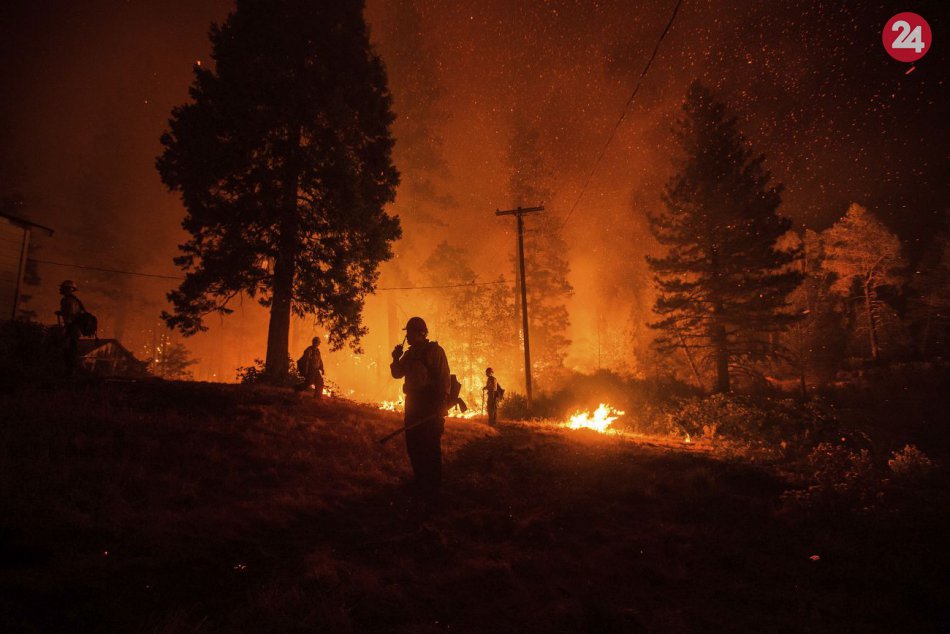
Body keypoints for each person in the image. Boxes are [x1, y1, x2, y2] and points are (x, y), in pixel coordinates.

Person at [390, 316, 451, 496]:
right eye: (407, 332)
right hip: (413, 402)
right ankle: (420, 480)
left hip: (430, 402)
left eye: (410, 332)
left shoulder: (434, 351)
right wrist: (395, 358)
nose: (407, 336)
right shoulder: (409, 354)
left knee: (430, 444)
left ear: (421, 333)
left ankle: (433, 485)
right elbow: (397, 373)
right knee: (413, 442)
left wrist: (441, 404)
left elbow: (444, 379)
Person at [55, 280, 84, 375]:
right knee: (70, 348)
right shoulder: (74, 300)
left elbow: (70, 314)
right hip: (74, 327)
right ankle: (69, 370)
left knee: (69, 348)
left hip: (72, 327)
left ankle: (70, 371)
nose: (60, 289)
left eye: (62, 287)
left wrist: (65, 327)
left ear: (68, 289)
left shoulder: (69, 300)